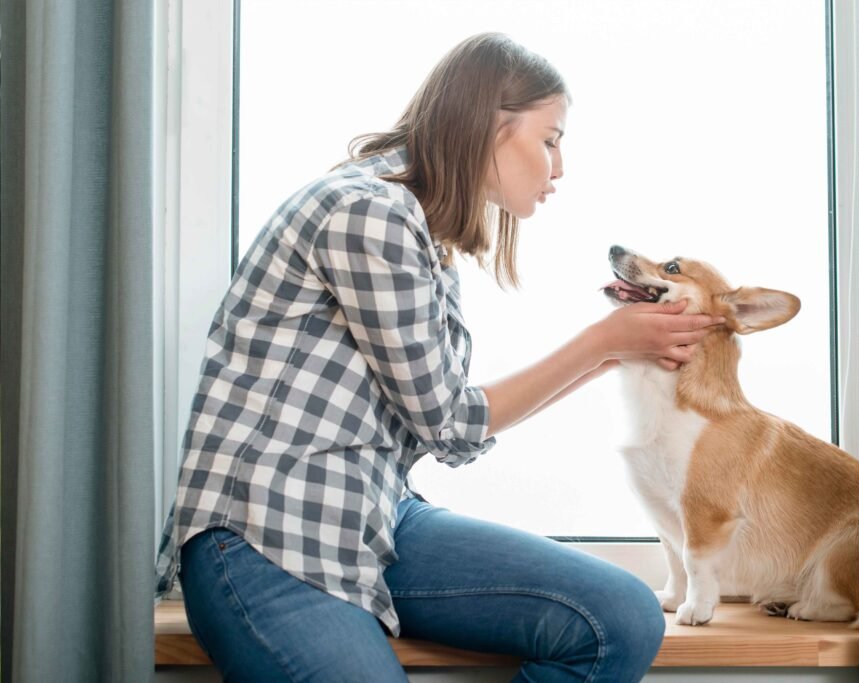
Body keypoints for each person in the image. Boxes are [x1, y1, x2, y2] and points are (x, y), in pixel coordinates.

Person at [155, 32, 722, 682]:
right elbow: (450, 423)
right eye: (550, 138)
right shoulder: (366, 213)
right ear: (488, 126)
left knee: (620, 616)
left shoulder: (422, 233)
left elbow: (445, 423)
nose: (559, 166)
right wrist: (604, 343)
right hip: (265, 532)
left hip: (371, 517)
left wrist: (614, 352)